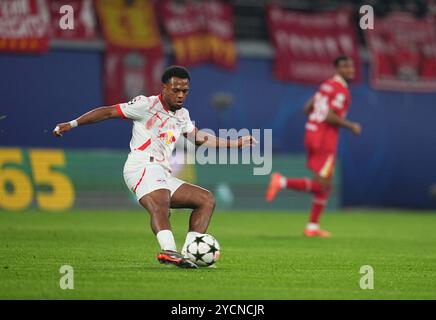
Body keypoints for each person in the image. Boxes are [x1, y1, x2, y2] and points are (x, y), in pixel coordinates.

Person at [53, 65, 256, 268]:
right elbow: (107, 112)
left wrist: (235, 143)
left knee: (206, 200)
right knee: (161, 203)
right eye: (175, 90)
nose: (180, 95)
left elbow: (199, 138)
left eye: (185, 91)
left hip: (161, 171)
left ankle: (189, 252)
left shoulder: (182, 114)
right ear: (164, 88)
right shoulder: (145, 105)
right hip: (141, 166)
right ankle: (169, 251)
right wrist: (72, 124)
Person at [265, 56, 362, 237]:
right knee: (323, 185)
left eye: (351, 66)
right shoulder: (341, 91)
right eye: (345, 67)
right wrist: (352, 126)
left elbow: (307, 108)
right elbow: (330, 117)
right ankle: (282, 181)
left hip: (312, 132)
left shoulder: (326, 85)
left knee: (324, 184)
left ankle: (312, 227)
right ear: (337, 69)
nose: (350, 69)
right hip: (324, 138)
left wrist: (317, 119)